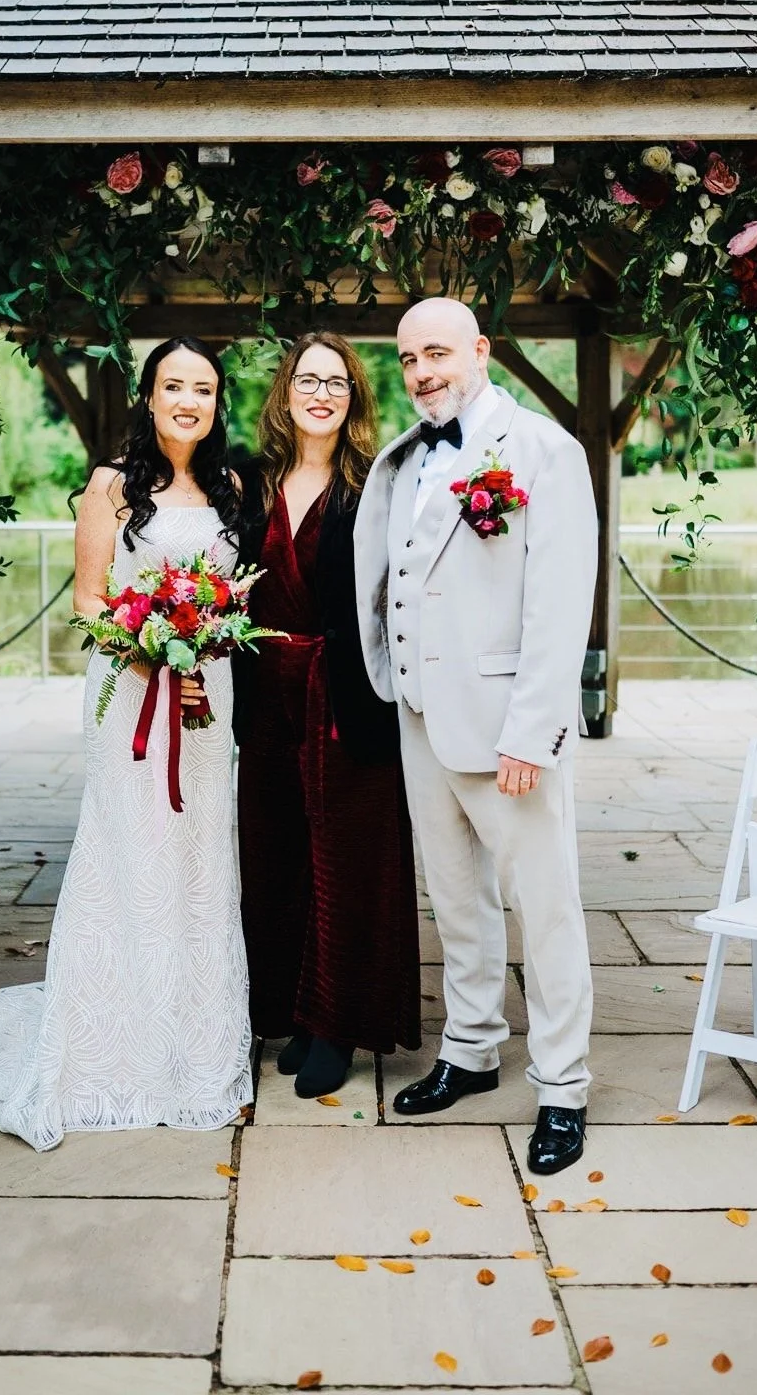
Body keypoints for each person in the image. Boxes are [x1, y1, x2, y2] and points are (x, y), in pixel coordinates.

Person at [0, 337, 253, 1149]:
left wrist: (203, 645)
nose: (189, 400)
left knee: (200, 861)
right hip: (130, 701)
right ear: (147, 397)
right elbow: (88, 604)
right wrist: (154, 646)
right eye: (173, 386)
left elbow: (233, 596)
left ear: (218, 404)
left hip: (206, 699)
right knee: (130, 856)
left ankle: (201, 1053)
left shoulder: (232, 486)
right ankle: (119, 1050)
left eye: (205, 389)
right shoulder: (110, 487)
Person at [353, 297, 598, 1175]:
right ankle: (470, 1050)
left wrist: (532, 732)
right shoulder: (406, 456)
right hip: (420, 715)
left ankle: (563, 1086)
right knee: (455, 900)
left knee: (545, 906)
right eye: (408, 358)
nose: (421, 372)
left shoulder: (544, 451)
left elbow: (561, 600)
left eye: (436, 354)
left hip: (506, 730)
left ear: (480, 351)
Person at [234, 331, 421, 1099]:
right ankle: (296, 1011)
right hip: (264, 694)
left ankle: (338, 1023)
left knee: (348, 862)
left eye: (336, 383)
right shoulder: (249, 479)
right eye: (307, 379)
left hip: (345, 693)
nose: (320, 393)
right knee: (277, 859)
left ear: (354, 398)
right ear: (284, 393)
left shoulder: (377, 481)